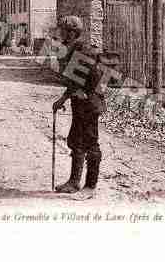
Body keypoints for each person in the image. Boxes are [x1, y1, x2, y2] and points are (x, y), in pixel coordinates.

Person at [52, 16, 106, 200]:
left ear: (72, 32)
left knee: (91, 142)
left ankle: (90, 187)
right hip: (80, 102)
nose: (60, 33)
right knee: (76, 141)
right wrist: (63, 98)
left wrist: (87, 92)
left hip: (89, 104)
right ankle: (74, 182)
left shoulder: (85, 50)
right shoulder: (72, 49)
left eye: (63, 30)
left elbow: (97, 76)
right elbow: (75, 80)